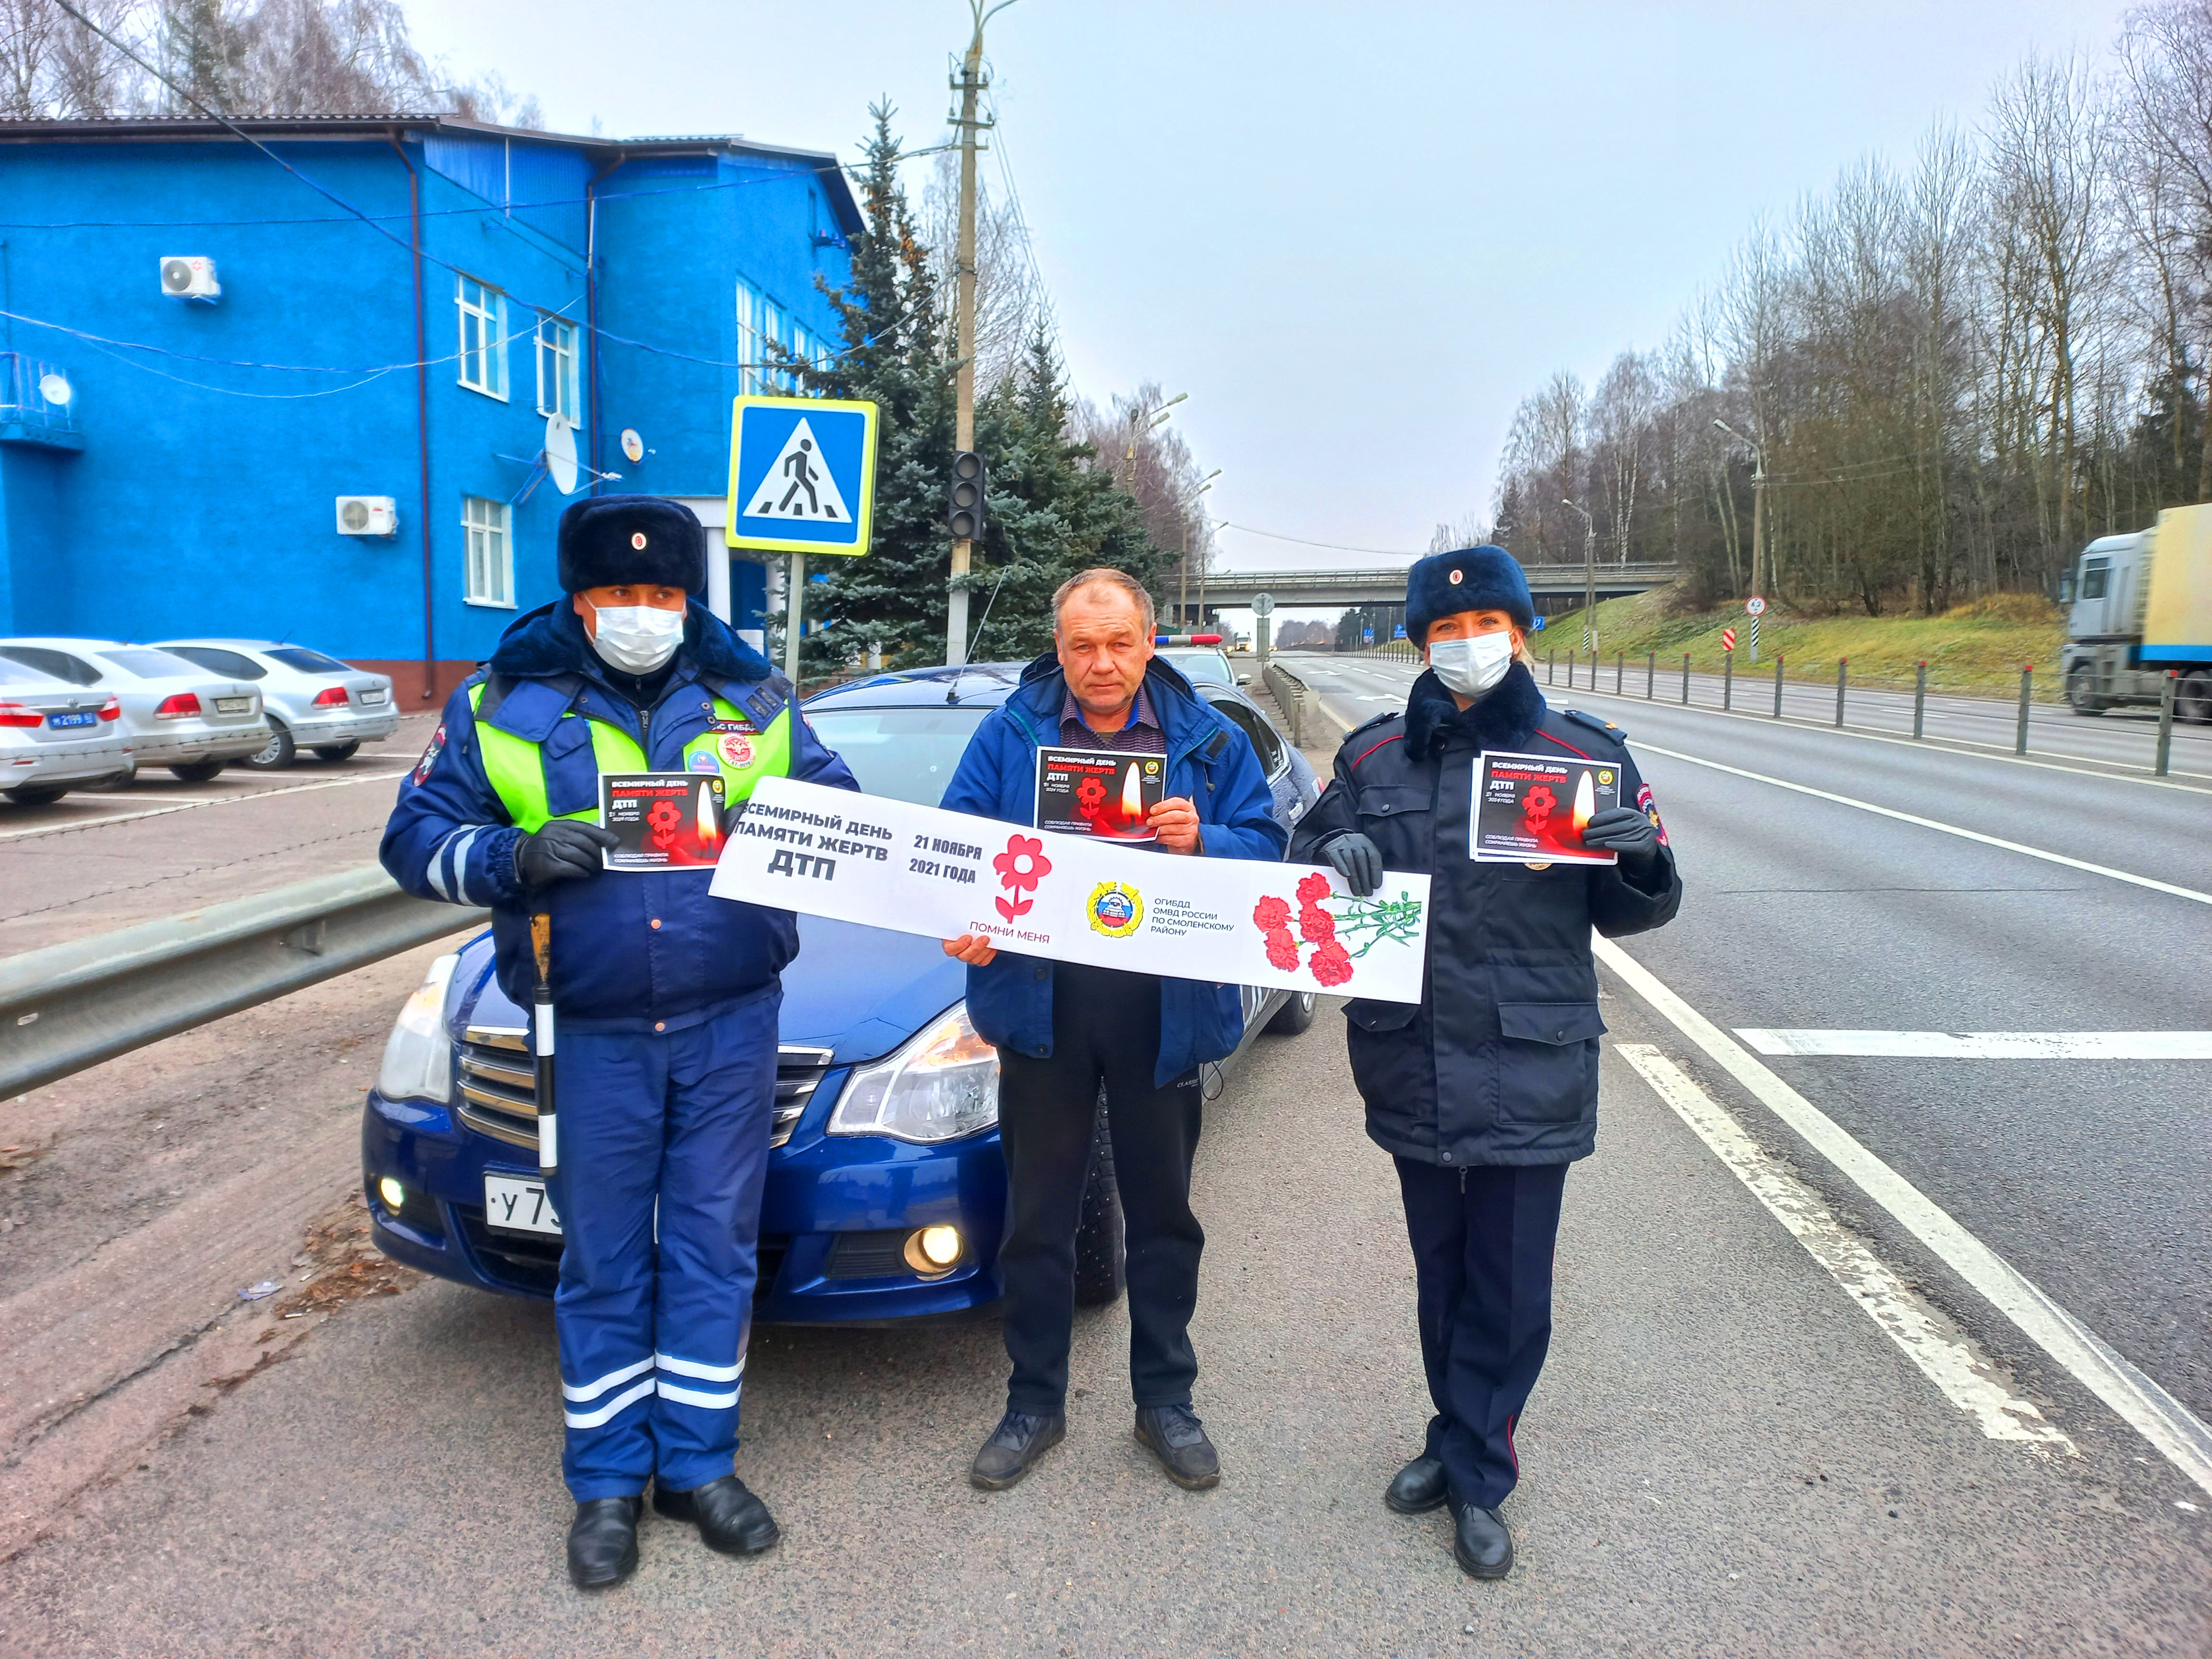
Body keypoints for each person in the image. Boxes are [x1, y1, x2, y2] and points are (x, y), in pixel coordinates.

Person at [380, 496, 857, 1592]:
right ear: (575, 597)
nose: (640, 613)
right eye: (615, 594)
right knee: (601, 1256)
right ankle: (604, 1483)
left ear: (689, 598)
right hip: (588, 1031)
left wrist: (780, 829)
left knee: (711, 1250)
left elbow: (838, 811)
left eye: (662, 594)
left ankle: (696, 1468)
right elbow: (413, 840)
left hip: (731, 1023)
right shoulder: (500, 707)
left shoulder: (757, 698)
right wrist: (512, 856)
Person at [1289, 545, 1681, 1581]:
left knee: (1508, 1286)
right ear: (1419, 643)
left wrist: (1639, 856)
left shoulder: (1580, 752)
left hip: (1527, 1056)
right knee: (1440, 1273)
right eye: (1446, 633)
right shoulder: (1373, 760)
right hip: (1410, 1051)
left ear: (1519, 632)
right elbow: (1297, 867)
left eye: (1486, 628)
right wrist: (1328, 861)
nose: (1467, 646)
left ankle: (1477, 1472)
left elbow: (1638, 906)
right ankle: (1453, 1431)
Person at [939, 568, 1287, 1493]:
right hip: (1039, 1007)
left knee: (1164, 1217)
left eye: (1118, 643)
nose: (1101, 663)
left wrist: (1204, 839)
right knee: (1038, 1219)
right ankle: (1033, 1403)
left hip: (1161, 1011)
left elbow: (1271, 846)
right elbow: (956, 842)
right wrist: (968, 917)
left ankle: (1165, 1403)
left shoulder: (1207, 740)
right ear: (1059, 649)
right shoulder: (1011, 732)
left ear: (1149, 642)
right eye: (1082, 646)